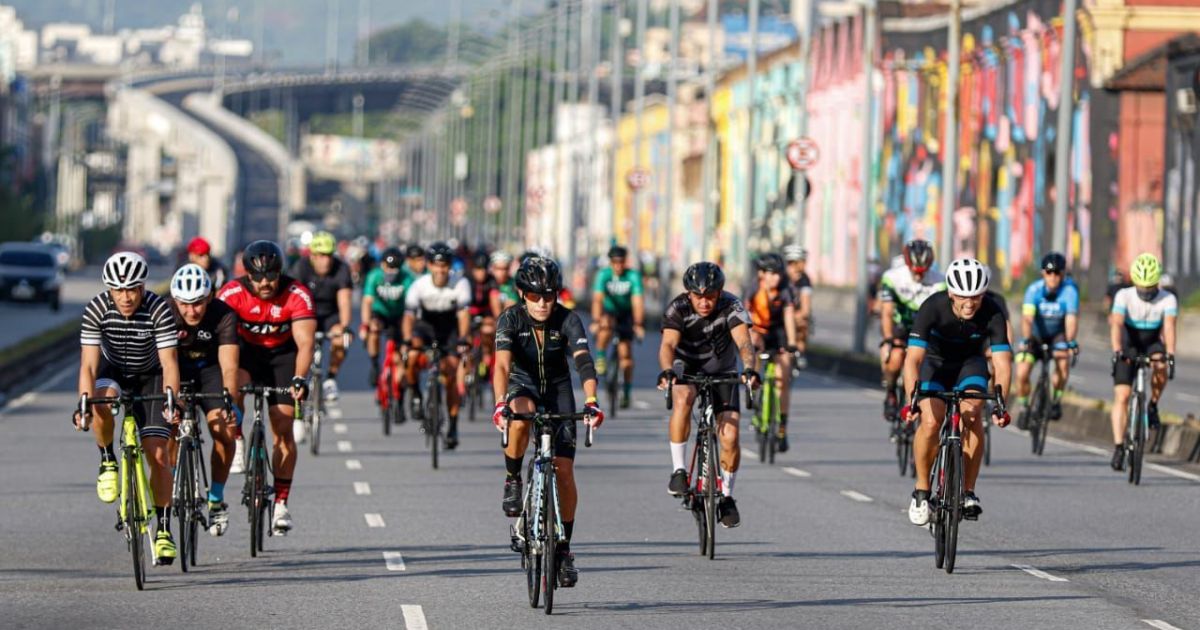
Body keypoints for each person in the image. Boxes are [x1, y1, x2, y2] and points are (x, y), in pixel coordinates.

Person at [493, 256, 603, 588]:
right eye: (535, 295)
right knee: (521, 417)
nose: (542, 303)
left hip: (558, 390)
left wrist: (592, 400)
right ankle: (513, 478)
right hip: (522, 384)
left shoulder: (569, 320)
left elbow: (584, 362)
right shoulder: (510, 319)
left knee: (565, 471)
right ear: (522, 294)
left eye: (549, 295)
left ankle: (564, 549)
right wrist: (500, 404)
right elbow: (500, 366)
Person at [74, 252, 182, 565]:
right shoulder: (97, 309)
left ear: (142, 286)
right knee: (100, 400)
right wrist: (83, 403)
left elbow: (170, 362)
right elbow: (89, 365)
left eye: (132, 289)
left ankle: (163, 530)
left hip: (152, 376)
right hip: (114, 370)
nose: (125, 297)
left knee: (159, 455)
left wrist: (172, 398)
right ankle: (108, 460)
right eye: (118, 290)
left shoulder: (158, 308)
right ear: (109, 290)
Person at [902, 258, 1012, 526]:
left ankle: (968, 492)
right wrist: (911, 402)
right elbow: (912, 360)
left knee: (973, 414)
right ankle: (921, 490)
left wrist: (1001, 405)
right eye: (963, 296)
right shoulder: (932, 307)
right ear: (951, 293)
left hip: (969, 365)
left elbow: (1002, 363)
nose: (969, 303)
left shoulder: (993, 312)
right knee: (930, 422)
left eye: (976, 296)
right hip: (935, 365)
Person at [217, 241, 316, 535]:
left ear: (280, 272)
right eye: (257, 277)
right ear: (247, 275)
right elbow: (223, 344)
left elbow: (306, 343)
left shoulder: (296, 294)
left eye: (271, 276)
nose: (264, 283)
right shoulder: (232, 294)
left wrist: (300, 378)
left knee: (283, 426)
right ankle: (237, 437)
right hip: (246, 355)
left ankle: (282, 503)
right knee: (231, 383)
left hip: (282, 359)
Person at [657, 262, 760, 528]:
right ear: (689, 294)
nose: (704, 302)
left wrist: (749, 369)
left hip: (722, 371)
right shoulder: (677, 307)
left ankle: (726, 496)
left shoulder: (731, 306)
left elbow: (745, 343)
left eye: (710, 296)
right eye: (698, 296)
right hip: (687, 368)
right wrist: (668, 371)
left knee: (731, 435)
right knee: (683, 399)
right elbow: (668, 344)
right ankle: (679, 470)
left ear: (720, 293)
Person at [167, 264, 240, 536]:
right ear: (175, 300)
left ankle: (216, 498)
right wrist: (170, 400)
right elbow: (163, 361)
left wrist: (229, 400)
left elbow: (230, 366)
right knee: (169, 424)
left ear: (209, 297)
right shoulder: (165, 313)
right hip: (176, 369)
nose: (191, 311)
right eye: (184, 304)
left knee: (222, 430)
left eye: (198, 303)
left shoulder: (223, 315)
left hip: (211, 372)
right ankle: (175, 479)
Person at [1109, 253, 1177, 471]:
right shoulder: (1124, 296)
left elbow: (1169, 328)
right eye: (1142, 287)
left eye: (1150, 288)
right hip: (1129, 341)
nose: (1146, 292)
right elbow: (1117, 324)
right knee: (1122, 395)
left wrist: (1171, 354)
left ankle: (1153, 405)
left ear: (1157, 283)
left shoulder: (1168, 298)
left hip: (1151, 341)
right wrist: (1117, 350)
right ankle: (1119, 446)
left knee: (1160, 364)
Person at [402, 242, 472, 449]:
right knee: (412, 357)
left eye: (445, 265)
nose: (441, 270)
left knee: (451, 372)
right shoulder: (420, 285)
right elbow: (408, 317)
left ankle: (452, 425)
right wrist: (407, 339)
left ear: (450, 266)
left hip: (449, 328)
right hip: (425, 327)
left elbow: (463, 315)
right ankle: (415, 393)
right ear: (430, 266)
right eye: (436, 265)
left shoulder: (460, 283)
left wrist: (464, 338)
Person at [878, 240, 945, 420]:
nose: (918, 275)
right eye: (915, 270)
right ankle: (891, 392)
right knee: (896, 357)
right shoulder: (892, 278)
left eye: (923, 271)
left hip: (926, 329)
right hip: (900, 327)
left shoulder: (940, 281)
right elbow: (886, 312)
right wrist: (888, 339)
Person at [1015, 253, 1080, 426]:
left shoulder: (1070, 291)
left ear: (1063, 274)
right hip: (1035, 335)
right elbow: (1027, 318)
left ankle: (1056, 400)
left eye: (1057, 273)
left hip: (1057, 335)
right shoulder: (1034, 290)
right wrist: (1027, 339)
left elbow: (1071, 320)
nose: (1053, 277)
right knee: (1022, 372)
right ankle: (1023, 407)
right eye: (1049, 273)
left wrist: (1071, 341)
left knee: (1063, 362)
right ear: (1043, 273)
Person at [289, 231, 353, 403]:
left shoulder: (341, 268)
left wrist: (345, 326)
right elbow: (292, 298)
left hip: (331, 314)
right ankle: (300, 376)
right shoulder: (301, 267)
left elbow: (345, 300)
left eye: (329, 255)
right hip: (306, 313)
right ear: (312, 256)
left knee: (342, 338)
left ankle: (331, 378)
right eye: (321, 256)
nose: (326, 260)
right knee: (298, 342)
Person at [745, 252, 798, 451]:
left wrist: (792, 344)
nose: (775, 277)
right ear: (761, 274)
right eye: (771, 274)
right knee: (754, 348)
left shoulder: (786, 289)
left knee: (782, 377)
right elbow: (745, 317)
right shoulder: (753, 288)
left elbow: (789, 317)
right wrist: (748, 340)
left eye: (778, 273)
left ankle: (782, 426)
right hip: (757, 329)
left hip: (778, 332)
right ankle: (753, 384)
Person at [590, 245, 646, 408]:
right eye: (615, 262)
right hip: (608, 312)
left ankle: (626, 392)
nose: (618, 266)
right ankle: (600, 357)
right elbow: (597, 300)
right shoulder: (603, 275)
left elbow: (637, 301)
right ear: (610, 262)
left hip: (626, 314)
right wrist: (595, 320)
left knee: (626, 357)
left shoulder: (632, 276)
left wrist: (638, 324)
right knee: (605, 325)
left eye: (621, 262)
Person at [360, 247, 414, 395]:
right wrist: (365, 325)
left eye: (394, 268)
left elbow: (411, 305)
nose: (390, 271)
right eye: (387, 267)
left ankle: (401, 392)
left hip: (399, 315)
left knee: (402, 353)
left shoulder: (406, 278)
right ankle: (374, 364)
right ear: (382, 265)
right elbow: (367, 301)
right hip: (380, 313)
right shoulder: (374, 276)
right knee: (374, 329)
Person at [467, 250, 499, 384]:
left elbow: (494, 301)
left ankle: (485, 360)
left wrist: (497, 318)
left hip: (486, 313)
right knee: (465, 340)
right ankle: (467, 368)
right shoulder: (466, 280)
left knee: (488, 331)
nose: (482, 273)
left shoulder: (492, 280)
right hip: (469, 311)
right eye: (478, 269)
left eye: (484, 269)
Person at [783, 245, 812, 368]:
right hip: (777, 314)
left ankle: (799, 353)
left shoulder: (804, 279)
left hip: (794, 314)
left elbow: (806, 308)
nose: (804, 265)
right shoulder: (780, 277)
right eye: (802, 261)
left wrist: (796, 318)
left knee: (804, 323)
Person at [490, 251, 519, 316]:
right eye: (498, 268)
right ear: (493, 268)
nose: (502, 272)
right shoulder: (488, 282)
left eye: (505, 268)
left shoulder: (514, 283)